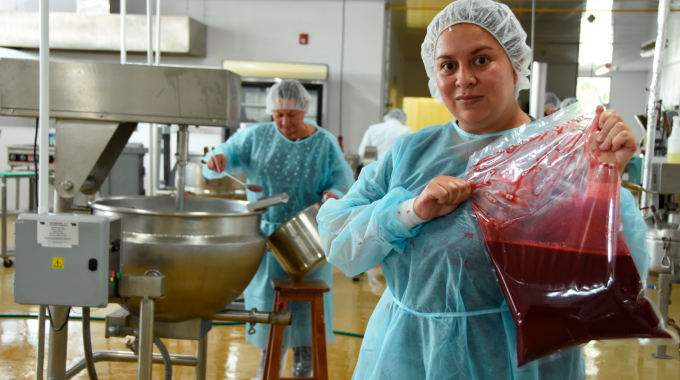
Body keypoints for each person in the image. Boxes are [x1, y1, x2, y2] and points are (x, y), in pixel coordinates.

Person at [317, 0, 644, 379]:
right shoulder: (410, 154)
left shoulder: (562, 155)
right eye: (448, 65)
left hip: (517, 363)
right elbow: (340, 243)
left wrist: (603, 180)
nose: (463, 79)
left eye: (482, 60)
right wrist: (409, 211)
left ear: (516, 64)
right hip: (409, 357)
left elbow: (617, 283)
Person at [204, 79, 355, 379]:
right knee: (269, 311)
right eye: (278, 115)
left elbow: (342, 180)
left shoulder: (323, 143)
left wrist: (333, 195)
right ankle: (267, 370)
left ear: (305, 111)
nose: (285, 122)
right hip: (267, 241)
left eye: (292, 115)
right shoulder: (256, 137)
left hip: (310, 237)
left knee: (307, 316)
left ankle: (304, 372)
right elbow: (224, 155)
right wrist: (217, 158)